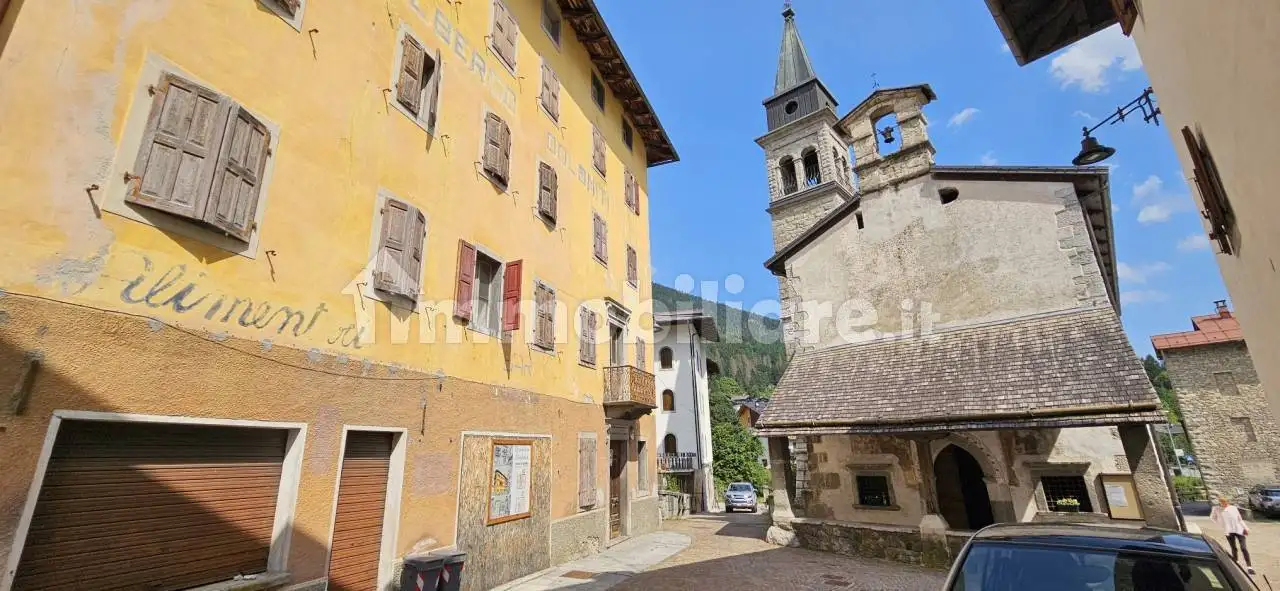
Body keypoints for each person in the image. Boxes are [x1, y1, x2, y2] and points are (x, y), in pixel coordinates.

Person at [1210, 493, 1255, 575]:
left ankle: (1249, 567)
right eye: (1222, 501)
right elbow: (1212, 518)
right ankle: (1236, 563)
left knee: (1244, 548)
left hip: (1239, 530)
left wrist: (1245, 528)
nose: (1224, 503)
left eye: (1225, 501)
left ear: (1227, 501)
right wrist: (1221, 524)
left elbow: (1240, 519)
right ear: (1220, 502)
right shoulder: (1216, 509)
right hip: (1228, 531)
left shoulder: (1233, 508)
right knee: (1233, 548)